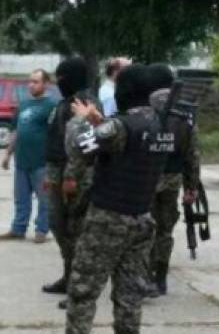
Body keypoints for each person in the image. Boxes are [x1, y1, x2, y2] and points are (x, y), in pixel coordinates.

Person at [65, 64, 170, 334]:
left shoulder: (122, 126)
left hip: (107, 220)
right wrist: (101, 123)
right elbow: (126, 145)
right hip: (142, 218)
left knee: (83, 292)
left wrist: (80, 119)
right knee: (129, 297)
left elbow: (79, 146)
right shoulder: (163, 125)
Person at [42, 58, 101, 296]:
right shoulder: (66, 102)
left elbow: (83, 148)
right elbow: (57, 141)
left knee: (76, 230)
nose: (58, 82)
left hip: (75, 177)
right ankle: (69, 277)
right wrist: (51, 175)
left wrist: (70, 178)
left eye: (62, 78)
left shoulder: (84, 103)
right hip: (58, 173)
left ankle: (79, 285)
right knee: (59, 225)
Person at [145, 64, 200, 297]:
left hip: (146, 179)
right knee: (165, 230)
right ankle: (161, 278)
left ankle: (144, 275)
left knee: (145, 228)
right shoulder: (185, 115)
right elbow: (192, 155)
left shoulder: (145, 108)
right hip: (172, 178)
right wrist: (191, 187)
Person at [0, 69, 56, 243]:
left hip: (41, 162)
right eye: (30, 81)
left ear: (46, 84)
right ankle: (18, 228)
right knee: (21, 198)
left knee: (44, 199)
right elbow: (16, 131)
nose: (31, 84)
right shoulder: (23, 105)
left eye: (36, 81)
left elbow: (55, 134)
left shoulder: (51, 106)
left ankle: (41, 230)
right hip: (22, 161)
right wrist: (8, 154)